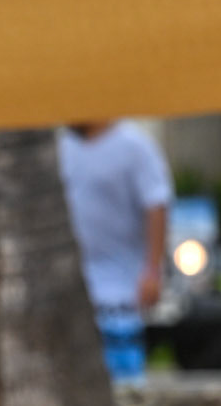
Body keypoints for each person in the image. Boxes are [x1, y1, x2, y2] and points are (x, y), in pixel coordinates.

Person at [58, 119, 173, 379]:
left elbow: (157, 204)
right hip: (76, 283)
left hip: (122, 288)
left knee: (123, 377)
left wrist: (153, 270)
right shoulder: (64, 148)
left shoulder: (134, 146)